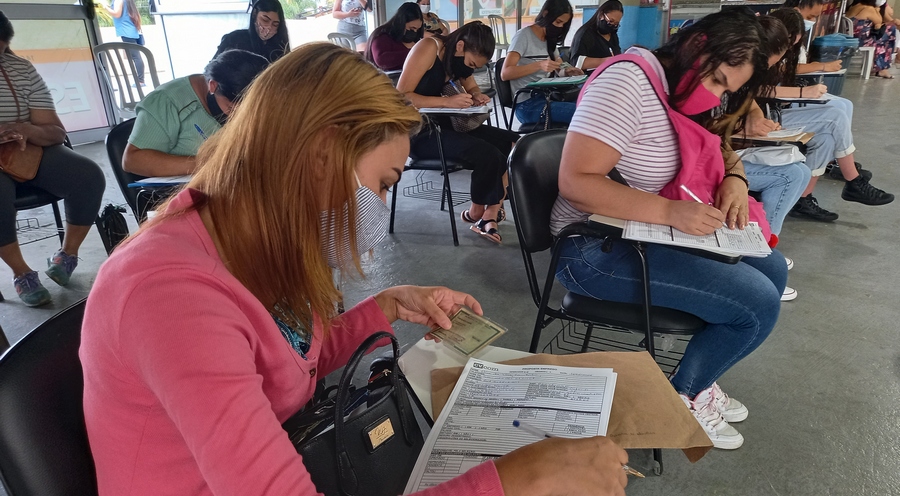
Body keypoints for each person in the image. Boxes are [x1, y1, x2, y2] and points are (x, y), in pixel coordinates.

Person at [80, 42, 630, 496]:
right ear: (323, 150)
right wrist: (516, 481)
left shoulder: (251, 238)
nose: (378, 207)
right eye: (382, 185)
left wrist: (387, 307)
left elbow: (285, 358)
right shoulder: (172, 293)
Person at [552, 11, 787, 450]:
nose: (715, 95)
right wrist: (669, 213)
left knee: (772, 269)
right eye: (716, 80)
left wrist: (734, 180)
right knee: (757, 305)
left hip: (643, 232)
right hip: (592, 249)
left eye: (727, 90)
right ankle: (683, 397)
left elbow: (718, 144)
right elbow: (576, 182)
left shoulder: (676, 88)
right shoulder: (628, 84)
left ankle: (699, 376)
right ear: (696, 46)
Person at [744, 7, 894, 223]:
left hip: (771, 112)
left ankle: (804, 198)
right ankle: (853, 179)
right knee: (834, 115)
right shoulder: (754, 55)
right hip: (769, 116)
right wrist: (802, 92)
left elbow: (756, 91)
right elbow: (755, 90)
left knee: (826, 134)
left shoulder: (773, 53)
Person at [0, 12, 105, 306]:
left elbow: (55, 132)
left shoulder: (20, 69)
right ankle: (21, 272)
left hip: (28, 150)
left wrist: (26, 129)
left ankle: (66, 255)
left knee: (87, 175)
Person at [707, 14, 810, 302]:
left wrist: (753, 116)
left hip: (724, 154)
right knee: (789, 175)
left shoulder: (739, 79)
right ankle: (758, 244)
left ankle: (762, 242)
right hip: (713, 159)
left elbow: (725, 128)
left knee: (799, 171)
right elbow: (709, 133)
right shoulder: (722, 75)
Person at [397, 22, 520, 244]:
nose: (470, 69)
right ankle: (476, 211)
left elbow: (471, 86)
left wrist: (476, 96)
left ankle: (490, 212)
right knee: (488, 153)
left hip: (447, 126)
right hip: (418, 133)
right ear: (460, 46)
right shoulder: (428, 48)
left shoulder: (457, 59)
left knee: (514, 144)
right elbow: (402, 97)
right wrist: (446, 102)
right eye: (472, 64)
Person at [123, 49, 269, 177]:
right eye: (232, 109)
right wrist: (209, 164)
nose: (239, 118)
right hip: (187, 193)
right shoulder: (169, 100)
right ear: (213, 85)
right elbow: (133, 160)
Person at [500, 0, 584, 126]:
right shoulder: (524, 36)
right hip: (527, 105)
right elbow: (505, 73)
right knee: (582, 113)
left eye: (564, 24)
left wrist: (567, 71)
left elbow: (559, 66)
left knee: (589, 106)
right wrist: (539, 65)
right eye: (558, 22)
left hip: (548, 97)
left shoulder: (549, 39)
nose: (560, 27)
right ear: (546, 14)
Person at [215, 0, 290, 63]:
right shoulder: (233, 39)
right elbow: (211, 70)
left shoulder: (280, 47)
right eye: (265, 20)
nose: (269, 27)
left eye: (275, 24)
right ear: (254, 14)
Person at [365, 2, 423, 71]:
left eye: (417, 29)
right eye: (412, 28)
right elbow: (381, 60)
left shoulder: (412, 39)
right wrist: (415, 53)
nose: (415, 32)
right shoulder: (381, 36)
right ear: (401, 23)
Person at [846, 0, 897, 78]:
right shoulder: (869, 9)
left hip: (850, 38)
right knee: (890, 30)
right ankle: (882, 68)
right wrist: (877, 9)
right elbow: (879, 22)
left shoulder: (854, 6)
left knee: (886, 31)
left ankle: (877, 66)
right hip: (861, 41)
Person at [100, 0, 146, 86]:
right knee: (136, 56)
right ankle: (140, 80)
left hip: (126, 31)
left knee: (136, 56)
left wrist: (105, 6)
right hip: (132, 30)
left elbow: (117, 14)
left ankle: (140, 81)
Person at [569, 0, 623, 71]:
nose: (613, 25)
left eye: (616, 24)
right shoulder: (585, 34)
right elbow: (576, 62)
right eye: (610, 21)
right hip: (590, 78)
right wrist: (604, 61)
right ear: (601, 15)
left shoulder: (612, 34)